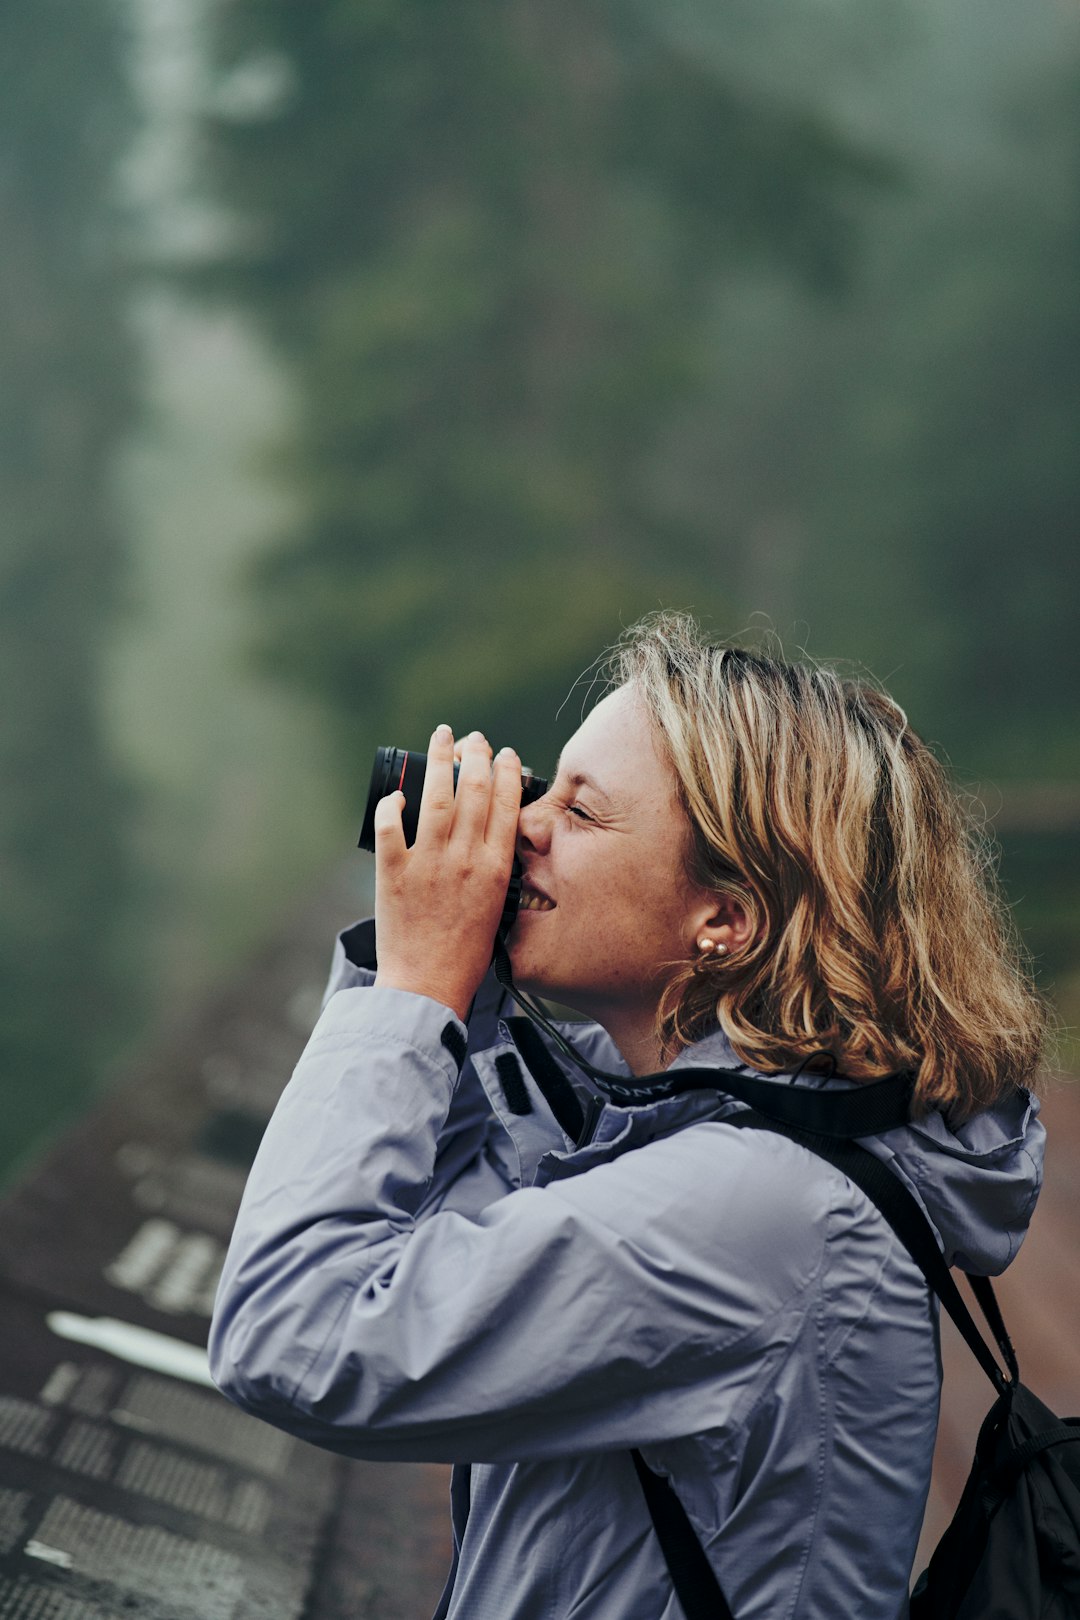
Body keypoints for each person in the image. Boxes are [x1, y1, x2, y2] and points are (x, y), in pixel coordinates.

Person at [209, 612, 1047, 1619]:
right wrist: (450, 1000)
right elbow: (450, 1238)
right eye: (543, 789)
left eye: (583, 811)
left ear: (725, 920)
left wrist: (415, 991)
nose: (523, 825)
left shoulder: (760, 1210)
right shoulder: (703, 1135)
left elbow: (294, 1335)